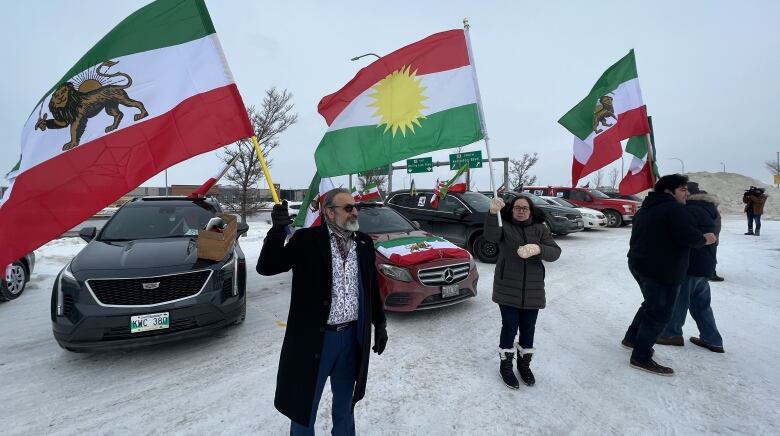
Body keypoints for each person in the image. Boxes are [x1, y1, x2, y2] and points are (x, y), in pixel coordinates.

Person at [257, 188, 388, 435]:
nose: (354, 212)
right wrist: (276, 232)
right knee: (304, 408)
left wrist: (380, 324)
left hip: (351, 339)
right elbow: (267, 267)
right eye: (348, 208)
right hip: (316, 341)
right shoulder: (306, 240)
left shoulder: (363, 243)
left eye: (354, 206)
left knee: (345, 407)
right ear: (329, 212)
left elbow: (371, 287)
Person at [622, 174, 717, 376]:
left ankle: (631, 338)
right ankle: (641, 356)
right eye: (682, 189)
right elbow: (689, 238)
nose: (687, 193)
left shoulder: (646, 208)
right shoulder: (674, 210)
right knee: (660, 312)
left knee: (650, 304)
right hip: (662, 270)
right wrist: (705, 238)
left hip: (639, 264)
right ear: (668, 191)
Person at [484, 194, 561, 389]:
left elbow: (555, 252)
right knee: (509, 327)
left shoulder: (540, 228)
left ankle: (524, 365)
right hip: (507, 286)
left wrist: (538, 248)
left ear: (530, 210)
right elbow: (491, 236)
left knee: (528, 328)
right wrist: (492, 214)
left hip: (533, 288)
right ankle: (506, 366)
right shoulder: (505, 225)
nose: (520, 211)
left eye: (524, 208)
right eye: (517, 207)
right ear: (511, 210)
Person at [657, 182, 725, 353]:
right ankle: (712, 339)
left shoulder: (688, 210)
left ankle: (672, 334)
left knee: (679, 301)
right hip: (705, 265)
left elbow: (682, 236)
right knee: (701, 305)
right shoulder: (710, 210)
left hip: (690, 264)